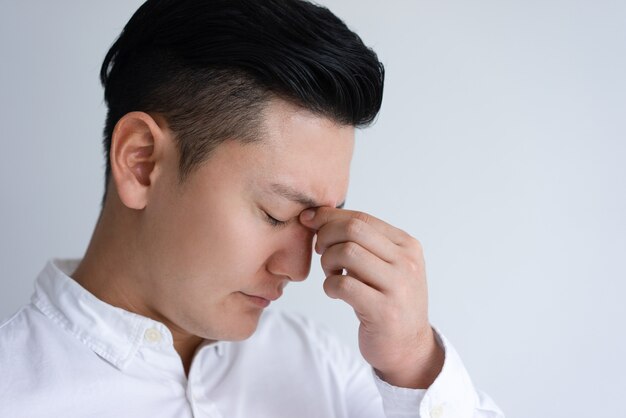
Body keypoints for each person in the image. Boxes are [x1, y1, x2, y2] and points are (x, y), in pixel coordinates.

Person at [0, 0, 504, 417]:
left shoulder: (323, 368)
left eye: (316, 224)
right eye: (276, 214)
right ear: (141, 162)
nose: (299, 269)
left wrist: (414, 363)